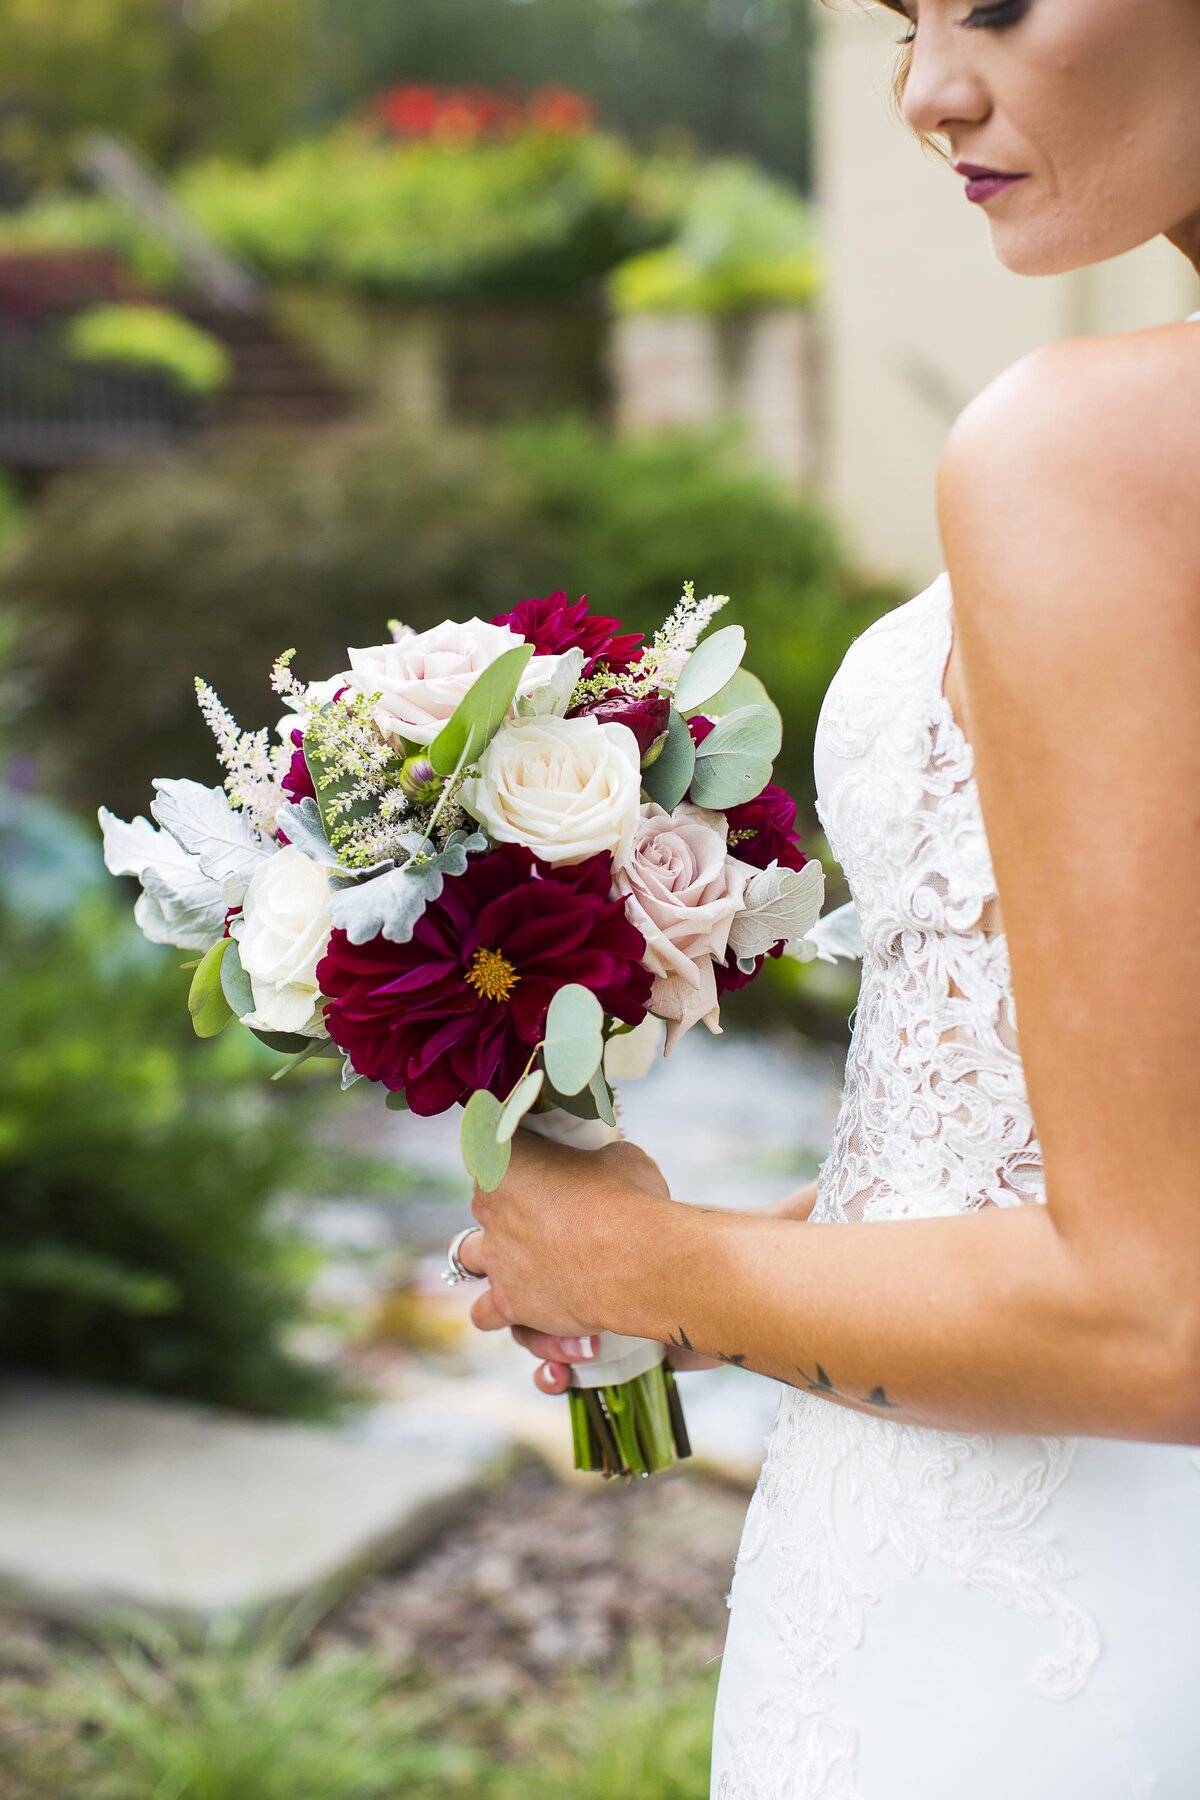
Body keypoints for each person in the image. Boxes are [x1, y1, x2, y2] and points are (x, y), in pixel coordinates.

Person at [447, 0, 1200, 1791]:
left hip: (1031, 1627)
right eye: (903, 17)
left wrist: (648, 1260)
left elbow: (1160, 1315)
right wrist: (770, 1262)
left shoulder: (1092, 454)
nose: (930, 88)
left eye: (1004, 5)